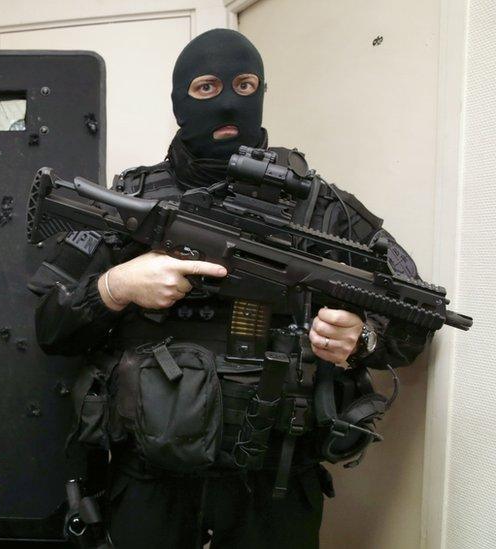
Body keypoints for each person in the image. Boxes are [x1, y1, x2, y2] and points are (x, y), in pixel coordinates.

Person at [31, 29, 427, 549]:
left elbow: (416, 318)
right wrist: (116, 285)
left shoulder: (323, 211)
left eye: (244, 85)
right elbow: (49, 328)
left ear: (262, 91)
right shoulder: (130, 202)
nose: (227, 104)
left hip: (275, 483)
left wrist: (362, 338)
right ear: (178, 101)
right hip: (151, 482)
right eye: (205, 89)